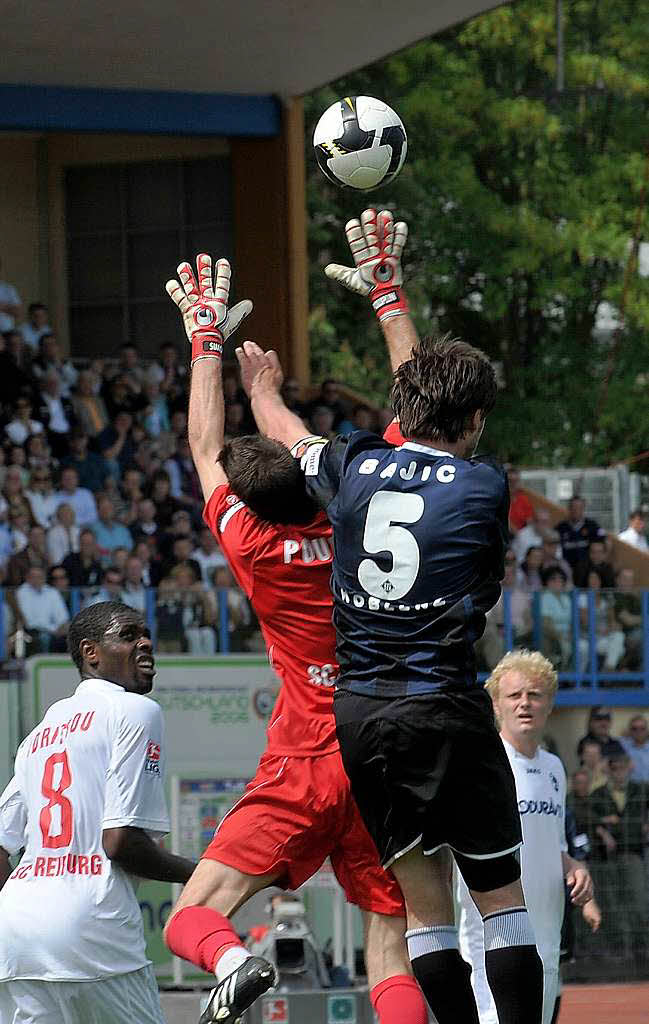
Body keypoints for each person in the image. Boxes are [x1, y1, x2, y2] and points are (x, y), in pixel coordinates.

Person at [249, 210, 544, 1024]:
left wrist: (261, 393)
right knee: (503, 905)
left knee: (424, 912)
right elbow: (433, 408)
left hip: (363, 715)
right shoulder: (485, 484)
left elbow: (289, 436)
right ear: (475, 420)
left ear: (402, 409)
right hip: (444, 705)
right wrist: (389, 295)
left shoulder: (351, 467)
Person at [162, 228, 429, 1024]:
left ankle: (235, 961)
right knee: (390, 945)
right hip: (383, 750)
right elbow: (415, 421)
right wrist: (387, 296)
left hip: (306, 756)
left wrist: (206, 342)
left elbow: (202, 447)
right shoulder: (358, 518)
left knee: (191, 915)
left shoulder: (250, 543)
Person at [0, 601, 196, 1024]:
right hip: (93, 933)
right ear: (91, 652)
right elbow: (121, 842)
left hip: (17, 937)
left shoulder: (39, 735)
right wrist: (206, 874)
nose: (145, 643)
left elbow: (1, 845)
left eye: (146, 635)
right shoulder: (134, 710)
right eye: (128, 635)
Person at [456, 650, 594, 1024]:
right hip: (493, 934)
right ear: (497, 704)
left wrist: (576, 867)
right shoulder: (481, 762)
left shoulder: (554, 767)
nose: (525, 704)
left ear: (549, 703)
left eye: (534, 695)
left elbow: (554, 845)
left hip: (548, 932)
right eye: (514, 696)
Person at [13, 564, 69, 653]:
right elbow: (29, 622)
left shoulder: (52, 592)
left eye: (40, 576)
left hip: (54, 632)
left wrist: (59, 629)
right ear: (27, 578)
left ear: (45, 577)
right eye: (33, 576)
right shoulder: (21, 593)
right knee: (44, 638)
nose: (37, 580)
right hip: (31, 632)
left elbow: (62, 618)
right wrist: (52, 630)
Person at [556, 497, 607, 574]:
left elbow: (606, 542)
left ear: (583, 509)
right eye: (574, 507)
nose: (576, 510)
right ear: (569, 509)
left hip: (588, 570)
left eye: (579, 508)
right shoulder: (561, 527)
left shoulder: (592, 526)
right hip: (566, 569)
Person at [620, 714, 649, 783]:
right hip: (632, 790)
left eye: (642, 728)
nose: (638, 732)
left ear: (647, 730)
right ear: (630, 730)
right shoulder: (622, 745)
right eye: (634, 729)